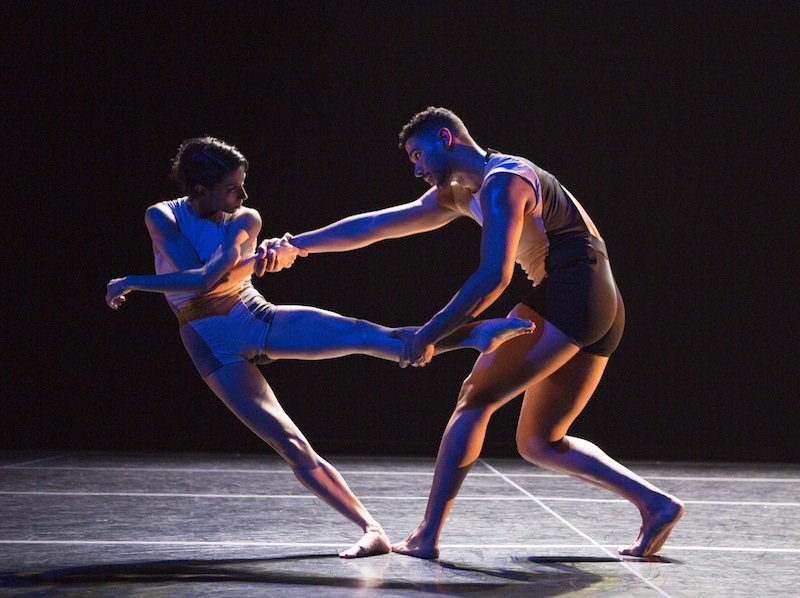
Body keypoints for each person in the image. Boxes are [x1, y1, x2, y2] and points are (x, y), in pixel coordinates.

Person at [262, 107, 684, 558]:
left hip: (573, 291)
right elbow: (376, 225)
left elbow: (493, 277)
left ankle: (426, 537)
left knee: (474, 399)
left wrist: (428, 334)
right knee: (539, 441)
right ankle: (655, 504)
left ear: (446, 138)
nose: (417, 168)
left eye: (418, 154)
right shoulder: (461, 194)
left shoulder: (505, 180)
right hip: (596, 302)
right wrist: (296, 245)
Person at [105, 136, 534, 559]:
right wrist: (249, 265)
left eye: (243, 182)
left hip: (256, 318)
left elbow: (207, 280)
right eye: (233, 187)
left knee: (366, 334)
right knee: (290, 444)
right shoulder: (162, 217)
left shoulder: (245, 218)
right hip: (210, 344)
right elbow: (199, 277)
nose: (244, 194)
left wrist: (132, 281)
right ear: (200, 190)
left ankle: (470, 335)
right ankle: (373, 529)